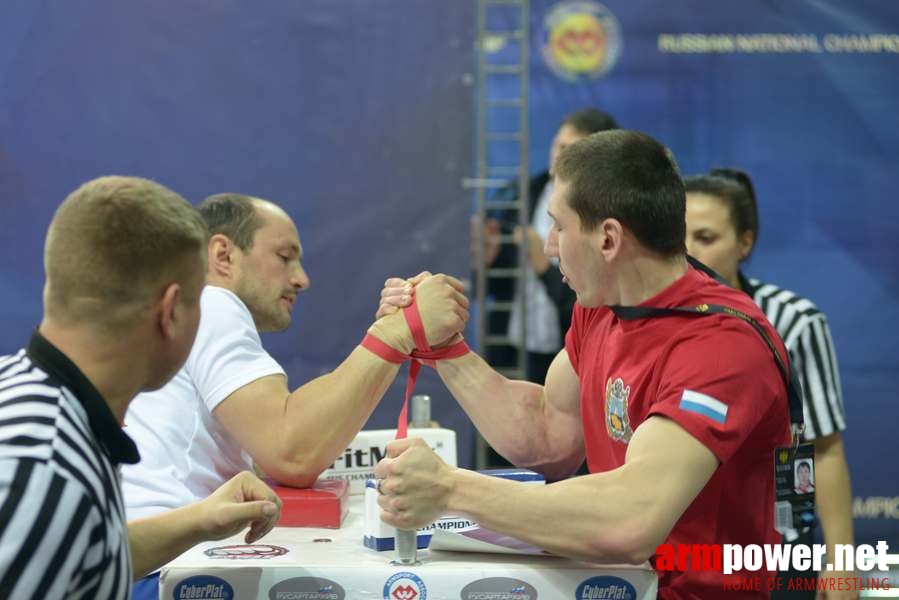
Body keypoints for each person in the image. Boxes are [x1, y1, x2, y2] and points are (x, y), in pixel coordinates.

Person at [375, 130, 792, 599]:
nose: (550, 247)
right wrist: (444, 349)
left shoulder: (722, 350)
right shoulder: (603, 305)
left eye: (558, 225)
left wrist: (450, 491)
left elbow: (630, 519)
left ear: (608, 239)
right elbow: (549, 433)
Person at [121, 193, 468, 597]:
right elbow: (292, 452)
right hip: (165, 575)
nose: (301, 278)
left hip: (142, 562)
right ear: (222, 254)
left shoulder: (177, 311)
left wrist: (391, 336)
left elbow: (292, 435)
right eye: (285, 256)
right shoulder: (212, 302)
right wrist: (396, 333)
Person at [0, 177, 281, 599]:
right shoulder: (45, 468)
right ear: (171, 313)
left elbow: (80, 555)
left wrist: (199, 520)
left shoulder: (48, 409)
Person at [683, 169, 856, 600]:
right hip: (677, 548)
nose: (688, 252)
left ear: (745, 243)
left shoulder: (795, 322)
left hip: (774, 550)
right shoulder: (646, 322)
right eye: (678, 235)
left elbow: (825, 448)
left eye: (705, 237)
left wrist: (841, 561)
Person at [478, 108, 617, 384]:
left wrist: (543, 268)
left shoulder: (605, 212)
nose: (561, 156)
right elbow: (492, 289)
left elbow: (599, 301)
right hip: (510, 346)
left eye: (572, 149)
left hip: (569, 353)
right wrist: (489, 261)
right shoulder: (520, 195)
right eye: (559, 145)